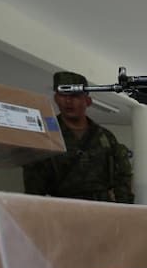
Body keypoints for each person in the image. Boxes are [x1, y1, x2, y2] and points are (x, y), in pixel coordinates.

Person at [23, 71, 134, 202]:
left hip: (102, 208)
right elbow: (34, 181)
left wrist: (124, 208)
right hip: (63, 208)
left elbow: (122, 177)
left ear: (87, 101)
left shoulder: (105, 137)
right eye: (63, 95)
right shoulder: (47, 134)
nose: (68, 101)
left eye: (74, 96)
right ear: (56, 98)